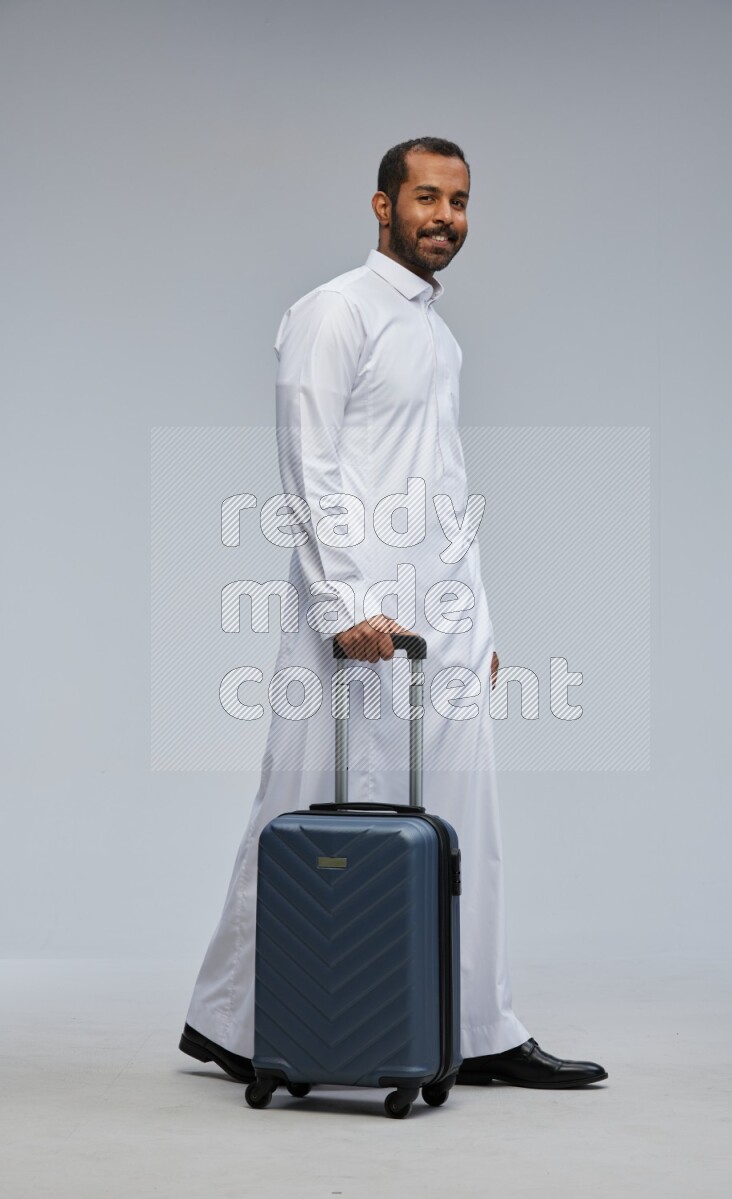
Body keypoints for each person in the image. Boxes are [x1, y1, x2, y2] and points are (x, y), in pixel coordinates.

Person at [179, 136, 607, 1090]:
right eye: (425, 198)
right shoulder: (337, 311)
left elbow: (445, 491)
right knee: (299, 812)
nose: (444, 217)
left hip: (441, 623)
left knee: (466, 821)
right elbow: (309, 463)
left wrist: (477, 622)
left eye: (458, 202)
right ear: (382, 207)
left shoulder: (437, 334)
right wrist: (342, 604)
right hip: (356, 616)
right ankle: (236, 1021)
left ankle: (483, 1027)